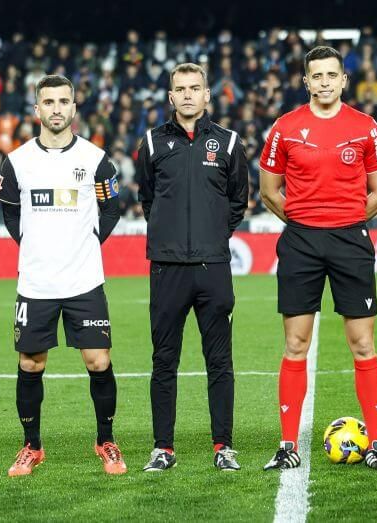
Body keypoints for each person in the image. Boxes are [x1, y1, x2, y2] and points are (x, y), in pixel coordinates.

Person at [258, 46, 377, 470]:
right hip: (300, 243)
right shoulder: (285, 127)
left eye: (331, 75)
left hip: (350, 242)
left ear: (343, 80)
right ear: (306, 81)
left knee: (363, 343)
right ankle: (286, 446)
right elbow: (268, 191)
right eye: (316, 76)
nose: (324, 82)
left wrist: (348, 222)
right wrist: (303, 222)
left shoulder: (365, 127)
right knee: (296, 343)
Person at [0, 75, 126, 476]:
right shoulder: (17, 162)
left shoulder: (96, 159)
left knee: (98, 361)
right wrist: (35, 246)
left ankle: (106, 440)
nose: (56, 108)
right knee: (31, 364)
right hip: (36, 282)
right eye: (48, 102)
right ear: (37, 110)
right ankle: (31, 447)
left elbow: (111, 209)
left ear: (73, 108)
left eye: (63, 101)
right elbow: (10, 213)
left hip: (84, 280)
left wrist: (85, 243)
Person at [135, 62, 249, 472]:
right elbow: (147, 198)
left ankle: (223, 447)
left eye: (194, 88)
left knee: (219, 362)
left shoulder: (229, 143)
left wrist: (214, 235)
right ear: (170, 97)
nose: (187, 95)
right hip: (166, 269)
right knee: (164, 361)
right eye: (180, 89)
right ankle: (162, 448)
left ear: (206, 95)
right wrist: (169, 237)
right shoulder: (150, 143)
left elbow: (238, 200)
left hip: (213, 266)